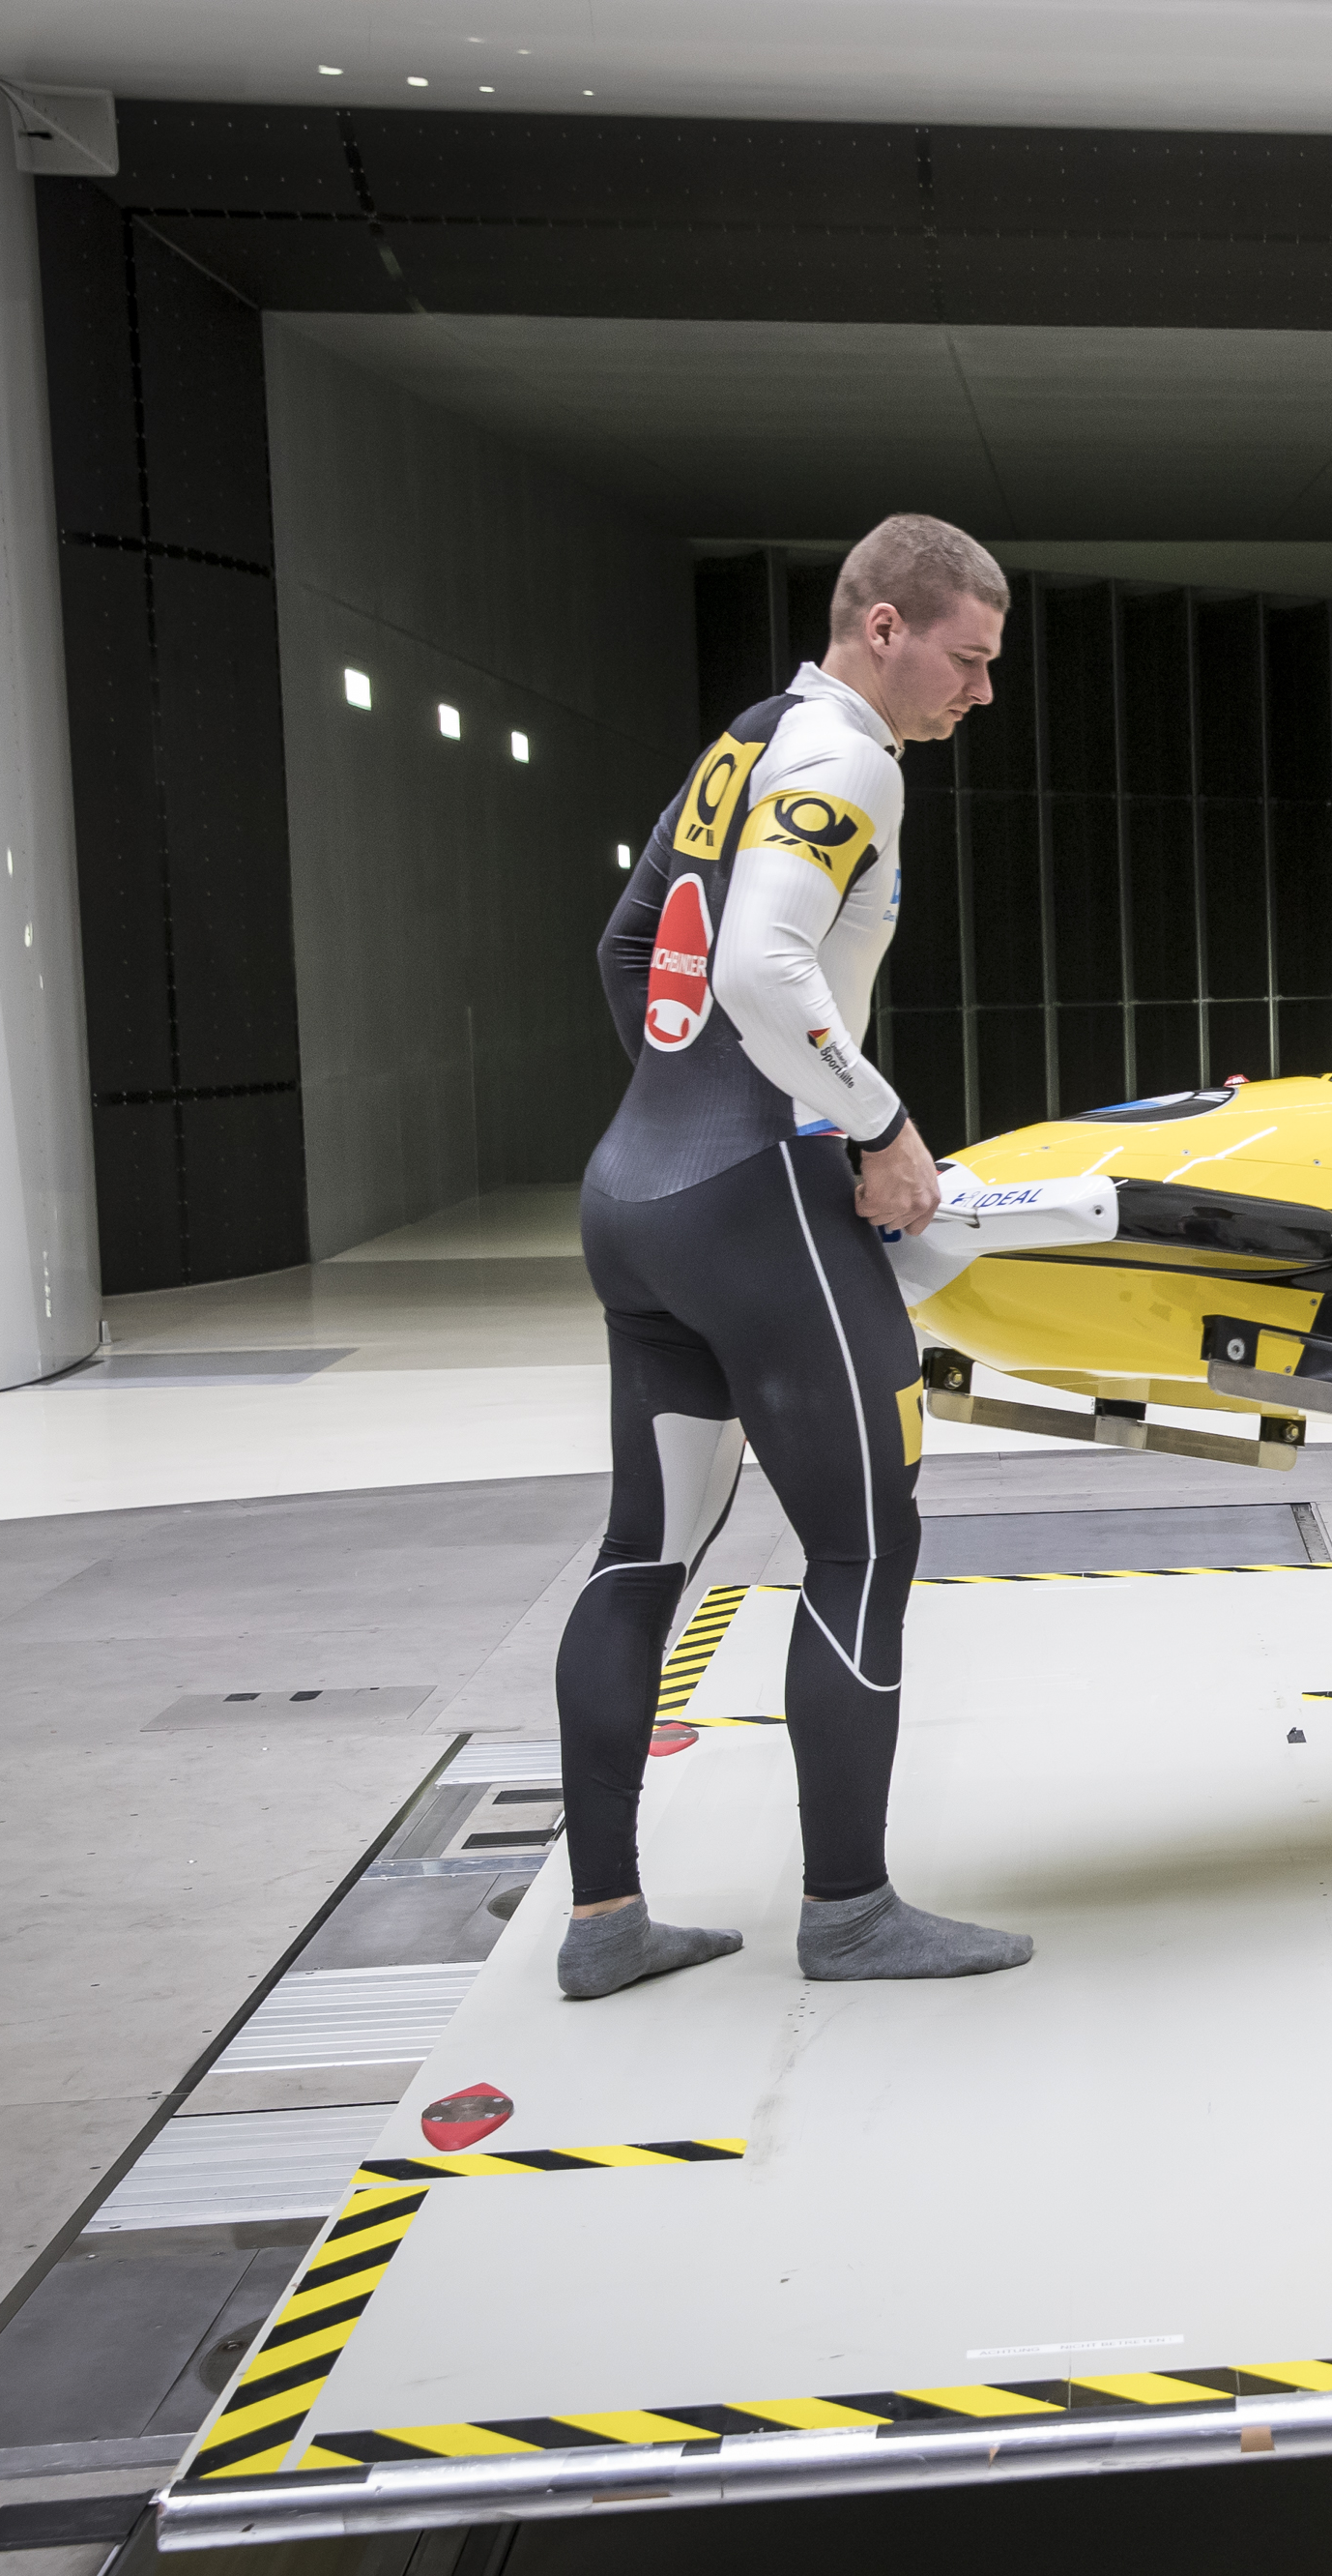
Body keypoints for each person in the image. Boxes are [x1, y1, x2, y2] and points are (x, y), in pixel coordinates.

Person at [552, 514, 1032, 2002]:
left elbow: (629, 948)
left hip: (638, 1195)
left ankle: (605, 1923)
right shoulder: (849, 758)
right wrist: (875, 1129)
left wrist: (682, 1104)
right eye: (967, 658)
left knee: (643, 1558)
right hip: (757, 1206)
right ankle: (851, 1914)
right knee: (865, 1546)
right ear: (884, 628)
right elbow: (761, 963)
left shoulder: (748, 740)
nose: (982, 690)